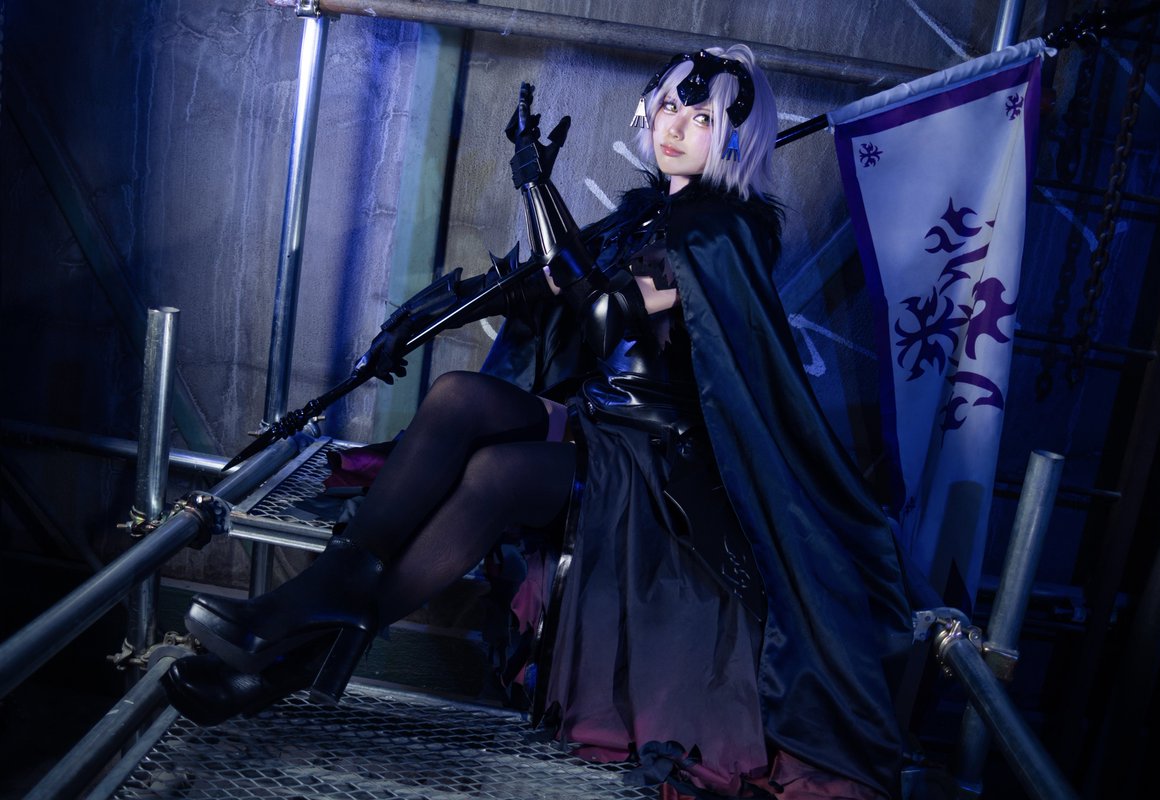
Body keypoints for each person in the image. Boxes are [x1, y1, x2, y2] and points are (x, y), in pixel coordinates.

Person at [164, 44, 912, 800]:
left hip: (658, 464)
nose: (676, 125)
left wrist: (537, 186)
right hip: (597, 425)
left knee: (498, 475)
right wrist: (423, 319)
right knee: (457, 396)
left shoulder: (721, 234)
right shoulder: (650, 213)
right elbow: (545, 285)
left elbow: (600, 311)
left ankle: (286, 659)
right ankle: (320, 600)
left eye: (703, 117)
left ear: (734, 137)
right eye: (670, 105)